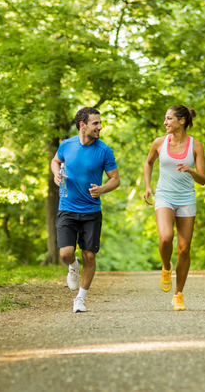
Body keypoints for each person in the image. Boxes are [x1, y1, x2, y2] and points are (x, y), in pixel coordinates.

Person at [51, 107, 120, 313]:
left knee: (90, 255)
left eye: (100, 123)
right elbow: (56, 161)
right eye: (95, 123)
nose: (100, 127)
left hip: (91, 210)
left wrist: (102, 189)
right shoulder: (66, 144)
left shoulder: (104, 150)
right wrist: (56, 174)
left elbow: (115, 179)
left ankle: (80, 299)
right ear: (83, 125)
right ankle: (73, 264)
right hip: (67, 207)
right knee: (65, 254)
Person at [143, 105, 205, 311]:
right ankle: (166, 266)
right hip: (164, 196)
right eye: (165, 118)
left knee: (184, 249)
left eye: (169, 119)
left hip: (186, 198)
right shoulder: (159, 142)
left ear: (181, 121)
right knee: (165, 237)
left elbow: (203, 179)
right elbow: (148, 163)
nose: (165, 123)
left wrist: (191, 170)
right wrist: (147, 186)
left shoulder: (196, 146)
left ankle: (178, 295)